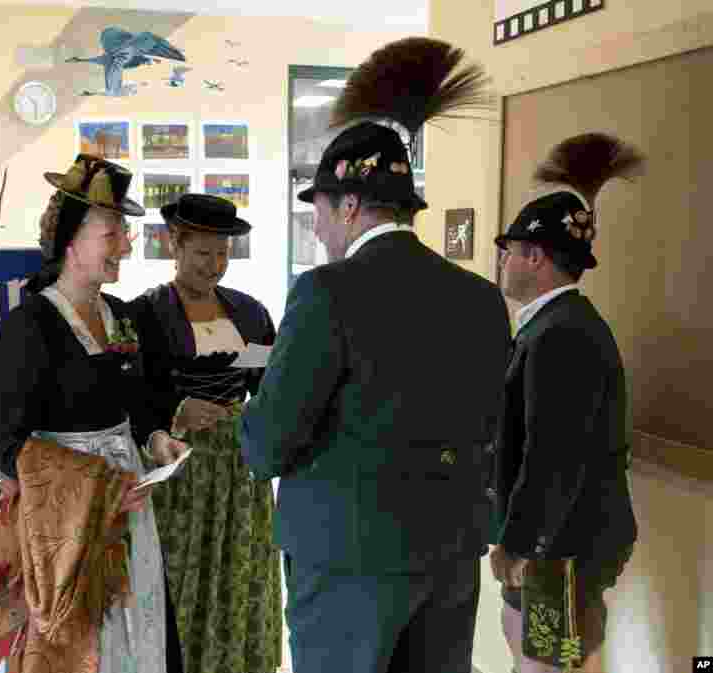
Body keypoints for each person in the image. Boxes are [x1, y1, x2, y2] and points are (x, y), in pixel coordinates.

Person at [239, 37, 510, 673]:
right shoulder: (479, 298)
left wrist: (246, 422)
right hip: (448, 554)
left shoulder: (328, 292)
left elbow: (269, 443)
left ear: (351, 205)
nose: (321, 230)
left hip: (347, 564)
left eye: (322, 214)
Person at [0, 154, 188, 673]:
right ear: (71, 242)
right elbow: (3, 441)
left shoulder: (123, 317)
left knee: (138, 634)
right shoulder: (33, 326)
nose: (126, 245)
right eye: (113, 234)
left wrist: (155, 438)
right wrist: (98, 485)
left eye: (123, 234)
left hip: (127, 514)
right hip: (60, 532)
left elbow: (140, 400)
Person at [491, 133, 643, 672]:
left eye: (507, 252)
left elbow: (553, 455)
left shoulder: (563, 334)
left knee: (549, 664)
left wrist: (519, 542)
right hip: (558, 544)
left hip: (562, 549)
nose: (502, 263)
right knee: (540, 655)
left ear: (534, 256)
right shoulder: (554, 325)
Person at [130, 194, 281, 673]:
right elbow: (131, 395)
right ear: (175, 244)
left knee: (240, 575)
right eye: (202, 253)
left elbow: (265, 384)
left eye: (223, 254)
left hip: (239, 473)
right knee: (181, 576)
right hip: (178, 472)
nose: (215, 266)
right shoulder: (145, 317)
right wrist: (174, 408)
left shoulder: (251, 314)